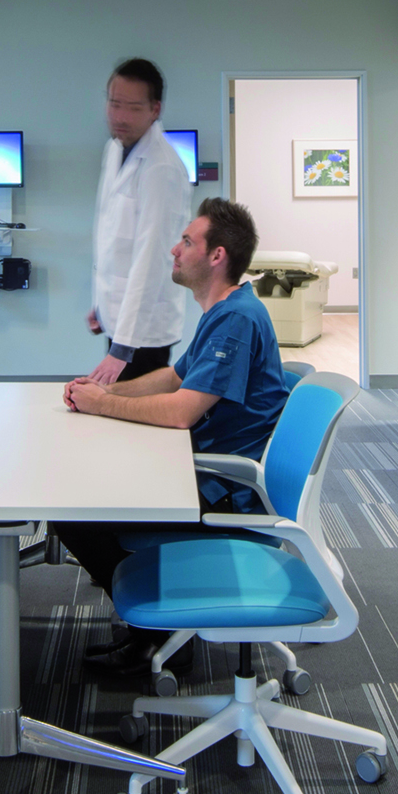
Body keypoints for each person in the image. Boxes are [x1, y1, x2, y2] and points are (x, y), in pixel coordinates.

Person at [56, 197, 291, 668]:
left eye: (186, 241)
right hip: (204, 470)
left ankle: (157, 635)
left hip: (225, 492)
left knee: (74, 511)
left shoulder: (236, 319)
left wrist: (104, 405)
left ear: (216, 255)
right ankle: (157, 617)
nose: (174, 249)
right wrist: (107, 390)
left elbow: (183, 412)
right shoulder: (225, 310)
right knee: (92, 485)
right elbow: (175, 377)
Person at [86, 57, 193, 386]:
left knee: (132, 411)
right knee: (111, 404)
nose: (120, 116)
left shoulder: (162, 168)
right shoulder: (114, 149)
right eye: (114, 103)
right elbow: (108, 232)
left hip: (144, 334)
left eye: (133, 108)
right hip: (118, 318)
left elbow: (152, 259)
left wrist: (123, 348)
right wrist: (100, 302)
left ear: (154, 109)